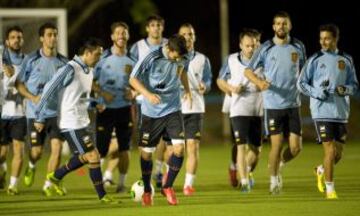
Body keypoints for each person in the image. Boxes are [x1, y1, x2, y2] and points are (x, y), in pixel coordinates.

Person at [34, 38, 115, 203]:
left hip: (83, 121)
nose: (99, 58)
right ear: (87, 53)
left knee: (86, 157)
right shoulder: (70, 68)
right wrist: (39, 115)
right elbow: (49, 88)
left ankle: (56, 176)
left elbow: (80, 98)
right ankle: (103, 196)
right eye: (97, 55)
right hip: (70, 122)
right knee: (93, 155)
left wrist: (95, 104)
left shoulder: (88, 71)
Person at [244, 11, 306, 194]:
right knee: (276, 145)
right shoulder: (265, 47)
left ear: (290, 26)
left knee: (296, 148)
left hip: (293, 104)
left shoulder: (298, 46)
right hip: (273, 105)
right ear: (273, 27)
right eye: (278, 23)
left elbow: (303, 71)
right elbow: (248, 71)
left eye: (284, 23)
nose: (281, 26)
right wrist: (259, 82)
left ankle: (279, 164)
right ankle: (274, 181)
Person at [297, 24, 358, 199]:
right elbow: (301, 83)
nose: (323, 41)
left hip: (340, 113)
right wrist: (317, 93)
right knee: (330, 151)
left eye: (327, 38)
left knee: (338, 154)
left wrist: (344, 89)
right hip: (321, 111)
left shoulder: (346, 59)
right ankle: (330, 189)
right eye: (321, 38)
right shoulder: (314, 59)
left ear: (336, 39)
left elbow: (354, 86)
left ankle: (321, 170)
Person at [129, 34, 191, 206]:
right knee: (146, 154)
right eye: (175, 56)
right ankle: (147, 191)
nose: (178, 59)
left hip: (173, 109)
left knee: (179, 149)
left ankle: (168, 186)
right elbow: (132, 79)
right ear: (169, 49)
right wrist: (147, 94)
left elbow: (183, 70)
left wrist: (187, 89)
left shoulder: (183, 56)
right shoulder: (151, 56)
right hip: (152, 113)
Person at [15, 23, 68, 196]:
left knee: (57, 149)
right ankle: (31, 166)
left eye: (55, 34)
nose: (53, 38)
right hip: (34, 114)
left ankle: (48, 183)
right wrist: (32, 98)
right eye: (49, 35)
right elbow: (19, 84)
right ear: (41, 38)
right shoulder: (31, 59)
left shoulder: (64, 62)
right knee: (36, 152)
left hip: (56, 114)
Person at [92, 21, 136, 192]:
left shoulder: (133, 60)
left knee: (124, 148)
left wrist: (134, 93)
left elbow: (143, 83)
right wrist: (102, 93)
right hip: (105, 109)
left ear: (128, 36)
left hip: (125, 109)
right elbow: (89, 81)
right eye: (118, 33)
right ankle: (98, 182)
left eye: (124, 33)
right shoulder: (102, 59)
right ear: (112, 37)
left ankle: (122, 184)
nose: (121, 36)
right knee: (101, 149)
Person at [217, 29, 262, 193]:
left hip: (258, 108)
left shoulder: (265, 60)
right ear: (241, 45)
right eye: (247, 45)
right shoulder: (231, 60)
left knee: (257, 150)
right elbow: (220, 80)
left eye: (254, 45)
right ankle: (243, 182)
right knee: (241, 146)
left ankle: (247, 172)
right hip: (238, 107)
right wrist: (231, 88)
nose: (251, 49)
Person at [130, 14, 169, 188]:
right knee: (144, 140)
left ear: (163, 27)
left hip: (165, 100)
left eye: (158, 25)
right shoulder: (138, 47)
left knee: (163, 139)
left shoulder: (169, 45)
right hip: (143, 100)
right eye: (152, 25)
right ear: (147, 28)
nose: (156, 28)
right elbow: (130, 69)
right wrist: (132, 89)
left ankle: (159, 170)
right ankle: (146, 172)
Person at [177, 23, 212, 195]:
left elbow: (208, 81)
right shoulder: (172, 58)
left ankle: (188, 185)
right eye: (184, 34)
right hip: (175, 109)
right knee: (174, 149)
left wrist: (206, 86)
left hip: (195, 108)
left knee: (192, 147)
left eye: (190, 34)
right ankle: (166, 181)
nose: (187, 37)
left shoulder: (203, 59)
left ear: (194, 37)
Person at [0, 26, 27, 194]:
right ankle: (2, 169)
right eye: (13, 37)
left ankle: (13, 185)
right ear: (7, 41)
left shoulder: (28, 61)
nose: (16, 40)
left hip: (19, 114)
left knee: (18, 149)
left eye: (19, 37)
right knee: (2, 153)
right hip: (2, 113)